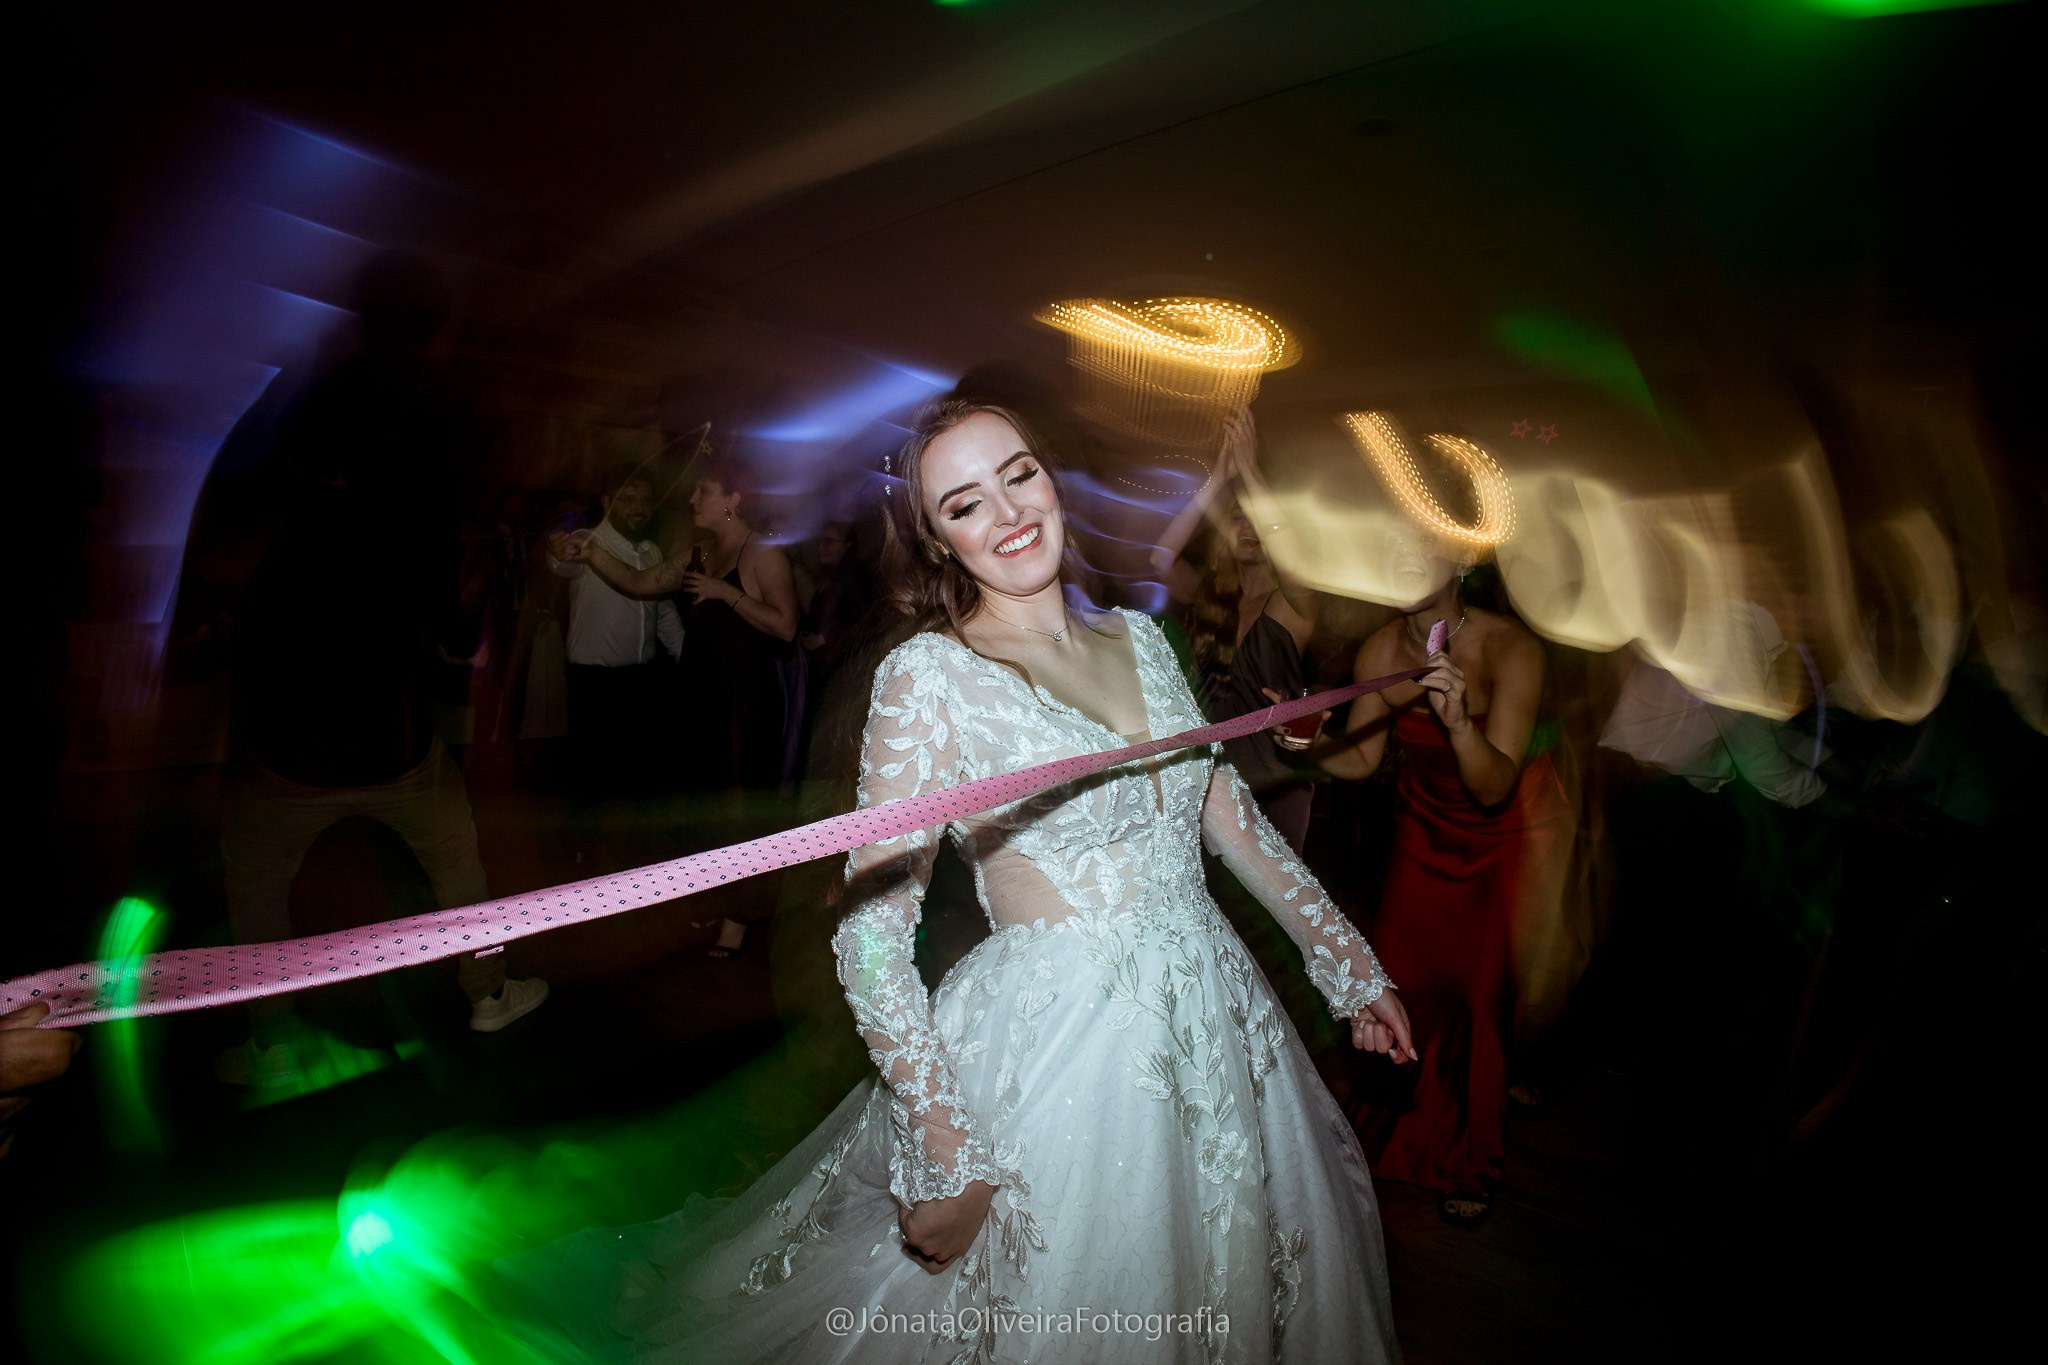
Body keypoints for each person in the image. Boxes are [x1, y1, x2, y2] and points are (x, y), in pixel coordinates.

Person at [511, 398, 1413, 1363]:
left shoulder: (1142, 640)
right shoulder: (933, 677)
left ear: (1051, 478)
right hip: (1058, 1056)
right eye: (965, 503)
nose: (1008, 514)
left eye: (1018, 475)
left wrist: (1352, 965)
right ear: (938, 539)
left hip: (1218, 1022)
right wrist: (946, 1144)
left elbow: (1226, 815)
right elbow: (868, 933)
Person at [1312, 524, 1570, 1228]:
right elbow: (1360, 761)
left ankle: (1467, 1157)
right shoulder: (1382, 648)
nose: (1398, 553)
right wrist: (1311, 742)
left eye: (1419, 543)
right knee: (1400, 980)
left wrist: (1458, 722)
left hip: (1499, 838)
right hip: (1422, 832)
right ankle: (1383, 1132)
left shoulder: (1512, 647)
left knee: (1476, 996)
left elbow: (1493, 786)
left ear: (1463, 555)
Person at [563, 451, 799, 957]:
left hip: (744, 703)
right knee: (706, 807)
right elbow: (640, 582)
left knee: (739, 812)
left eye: (704, 491)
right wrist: (589, 549)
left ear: (733, 499)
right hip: (700, 696)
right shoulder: (700, 551)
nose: (692, 499)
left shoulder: (763, 553)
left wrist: (724, 593)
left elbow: (785, 625)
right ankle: (717, 897)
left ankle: (738, 919)